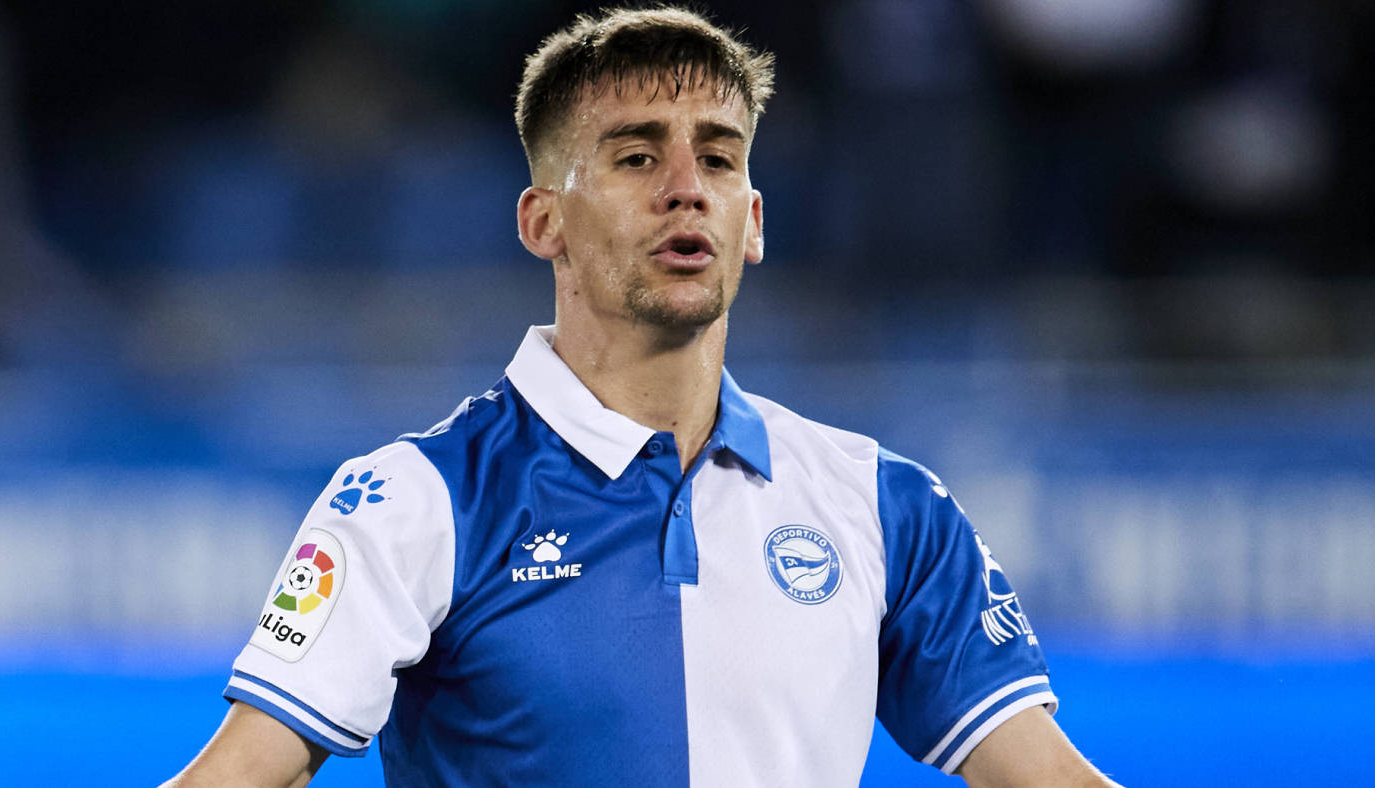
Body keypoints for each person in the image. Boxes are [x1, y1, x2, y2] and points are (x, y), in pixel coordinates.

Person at [164, 7, 1120, 787]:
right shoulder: (417, 500)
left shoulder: (885, 505)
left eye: (719, 158)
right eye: (635, 157)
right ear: (544, 222)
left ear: (752, 221)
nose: (685, 189)